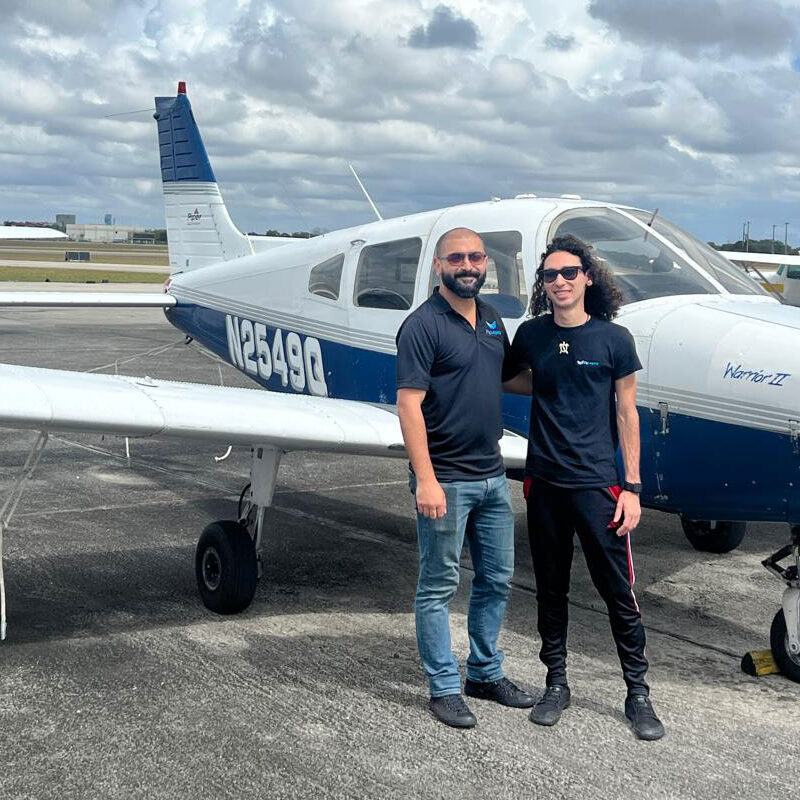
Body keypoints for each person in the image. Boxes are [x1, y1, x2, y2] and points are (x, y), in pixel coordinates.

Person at [504, 234, 665, 741]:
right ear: (543, 285)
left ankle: (637, 694)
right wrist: (554, 382)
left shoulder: (614, 340)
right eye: (550, 275)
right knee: (550, 591)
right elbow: (510, 380)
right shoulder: (530, 335)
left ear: (588, 277)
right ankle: (557, 683)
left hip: (599, 487)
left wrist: (633, 488)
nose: (560, 282)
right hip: (544, 483)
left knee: (619, 593)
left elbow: (627, 413)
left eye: (569, 272)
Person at [395, 227, 534, 728]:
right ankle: (444, 687)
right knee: (438, 585)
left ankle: (484, 671)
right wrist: (426, 480)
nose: (469, 265)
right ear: (439, 266)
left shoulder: (493, 319)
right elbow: (409, 406)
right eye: (457, 258)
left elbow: (505, 376)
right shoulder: (422, 326)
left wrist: (572, 378)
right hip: (447, 479)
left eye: (476, 257)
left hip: (493, 474)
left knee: (496, 579)